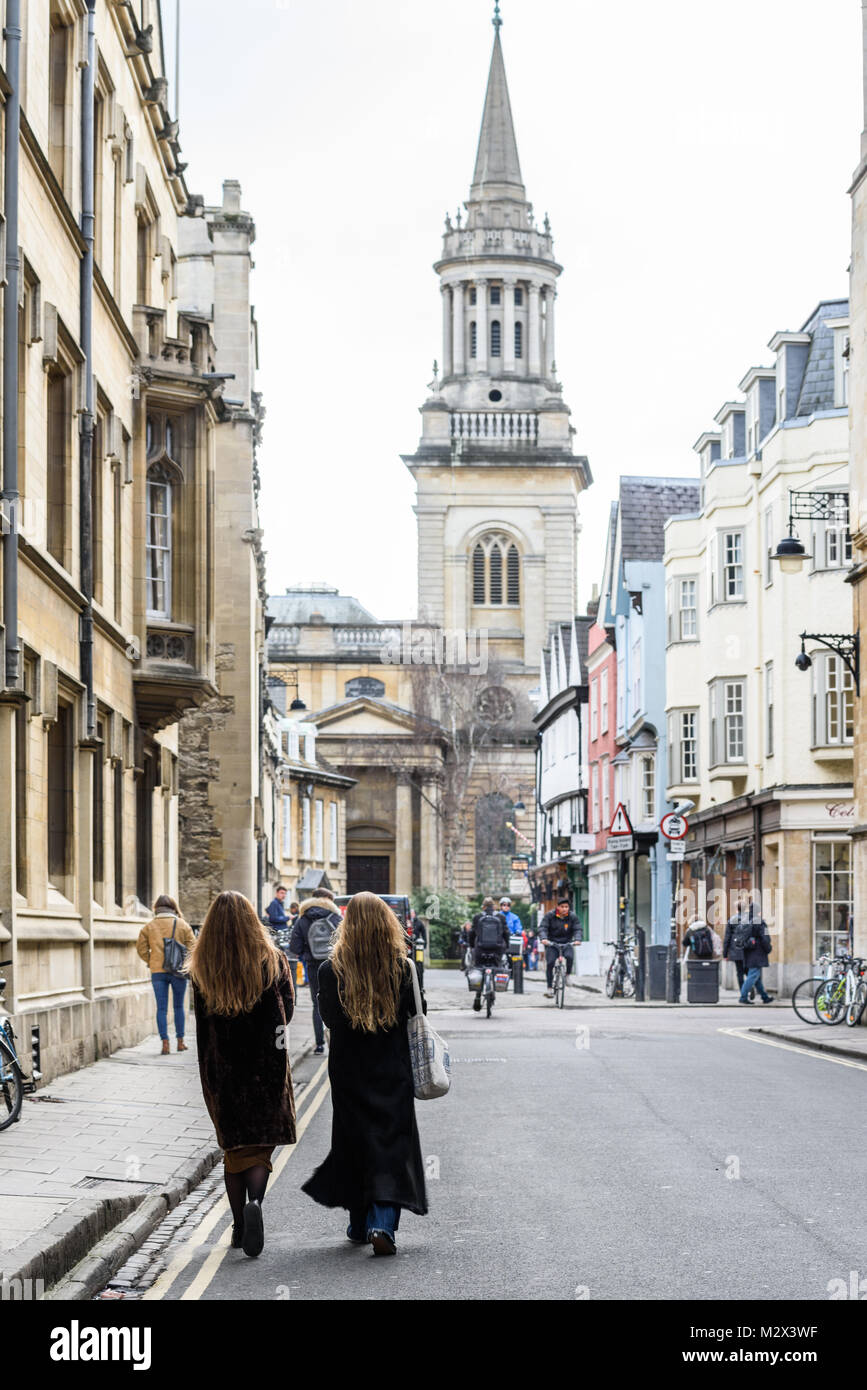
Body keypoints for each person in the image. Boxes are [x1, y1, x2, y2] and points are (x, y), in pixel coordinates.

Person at [301, 891, 428, 1256]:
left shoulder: (330, 970)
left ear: (347, 925)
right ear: (387, 924)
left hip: (349, 1070)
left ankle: (358, 1224)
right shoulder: (405, 968)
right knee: (389, 1143)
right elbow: (418, 1014)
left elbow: (329, 1020)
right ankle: (381, 1225)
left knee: (354, 1141)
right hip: (392, 1067)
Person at [188, 891, 296, 1258]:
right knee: (261, 1146)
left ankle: (238, 1224)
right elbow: (289, 1010)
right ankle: (256, 1203)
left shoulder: (201, 967)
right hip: (267, 1067)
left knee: (234, 1150)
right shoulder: (272, 961)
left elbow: (201, 1022)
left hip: (224, 1070)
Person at [136, 895, 196, 1055]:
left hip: (157, 972)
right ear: (173, 907)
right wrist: (185, 963)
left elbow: (141, 948)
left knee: (161, 1008)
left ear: (156, 908)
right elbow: (193, 948)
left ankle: (165, 1043)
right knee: (178, 1007)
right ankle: (181, 1042)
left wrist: (151, 960)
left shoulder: (149, 927)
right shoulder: (183, 925)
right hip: (178, 971)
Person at [290, 887, 341, 1054]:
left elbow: (295, 947)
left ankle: (319, 1044)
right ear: (327, 900)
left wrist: (307, 953)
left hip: (313, 967)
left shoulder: (303, 919)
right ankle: (336, 1041)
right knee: (337, 1001)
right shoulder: (335, 917)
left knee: (316, 1004)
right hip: (334, 965)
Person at [468, 897, 510, 1012]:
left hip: (480, 949)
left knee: (479, 969)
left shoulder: (477, 917)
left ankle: (477, 995)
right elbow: (506, 932)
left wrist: (472, 946)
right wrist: (507, 946)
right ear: (494, 906)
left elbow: (472, 933)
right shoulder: (500, 917)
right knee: (496, 968)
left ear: (483, 906)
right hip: (497, 949)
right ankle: (494, 989)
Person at [539, 898, 582, 998]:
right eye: (562, 907)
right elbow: (543, 928)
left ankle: (567, 975)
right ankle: (549, 988)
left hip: (567, 943)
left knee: (570, 957)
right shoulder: (550, 916)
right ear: (557, 907)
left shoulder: (572, 917)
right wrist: (544, 938)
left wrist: (578, 939)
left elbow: (578, 928)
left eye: (566, 907)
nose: (564, 909)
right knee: (550, 963)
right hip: (552, 943)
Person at [736, 910, 773, 1006]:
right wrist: (768, 948)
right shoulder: (760, 922)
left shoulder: (746, 922)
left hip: (749, 952)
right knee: (753, 976)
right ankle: (743, 997)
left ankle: (765, 997)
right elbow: (765, 938)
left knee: (756, 977)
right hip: (758, 953)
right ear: (758, 912)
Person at [724, 897, 759, 999]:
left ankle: (743, 992)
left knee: (739, 972)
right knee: (748, 971)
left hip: (735, 949)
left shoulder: (732, 919)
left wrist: (725, 954)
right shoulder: (750, 918)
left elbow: (727, 937)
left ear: (737, 908)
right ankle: (750, 986)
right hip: (748, 949)